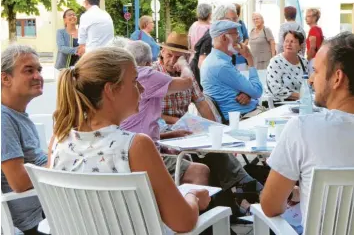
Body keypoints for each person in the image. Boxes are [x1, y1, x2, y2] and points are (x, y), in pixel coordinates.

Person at [48, 47, 211, 234]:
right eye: (135, 81)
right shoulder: (135, 146)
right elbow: (183, 222)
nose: (142, 89)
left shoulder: (58, 140)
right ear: (111, 90)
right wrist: (193, 195)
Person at [153, 32, 263, 212]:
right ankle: (242, 187)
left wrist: (213, 129)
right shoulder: (155, 74)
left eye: (178, 57)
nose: (172, 60)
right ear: (162, 51)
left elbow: (202, 104)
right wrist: (178, 120)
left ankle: (235, 198)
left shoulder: (187, 77)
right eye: (169, 55)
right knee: (207, 154)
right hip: (162, 130)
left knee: (212, 145)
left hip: (183, 128)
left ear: (186, 58)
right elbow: (150, 113)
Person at [261, 32, 354, 232]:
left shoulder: (302, 128)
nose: (311, 80)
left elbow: (270, 206)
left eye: (317, 72)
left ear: (337, 78)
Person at [113, 39, 210, 185]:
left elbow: (137, 126)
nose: (139, 89)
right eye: (170, 55)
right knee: (199, 170)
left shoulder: (120, 78)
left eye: (178, 58)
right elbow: (187, 82)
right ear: (160, 54)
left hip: (141, 146)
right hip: (141, 155)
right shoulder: (147, 74)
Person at [1, 45, 48, 235]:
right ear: (5, 78)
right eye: (29, 70)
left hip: (44, 208)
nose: (38, 76)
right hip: (34, 222)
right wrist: (58, 158)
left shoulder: (16, 115)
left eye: (39, 70)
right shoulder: (4, 119)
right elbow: (19, 182)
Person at [201, 20, 263, 121]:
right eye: (236, 34)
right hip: (244, 117)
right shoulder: (221, 65)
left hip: (246, 114)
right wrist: (250, 59)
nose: (239, 38)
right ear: (224, 37)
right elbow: (257, 91)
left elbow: (250, 91)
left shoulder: (213, 60)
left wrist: (248, 94)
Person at [190, 4, 243, 89]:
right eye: (232, 19)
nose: (235, 22)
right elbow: (203, 66)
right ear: (219, 20)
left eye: (236, 18)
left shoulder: (227, 35)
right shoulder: (211, 38)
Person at [266, 31, 308, 102]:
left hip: (300, 103)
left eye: (293, 42)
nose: (288, 44)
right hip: (279, 103)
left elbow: (307, 84)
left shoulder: (304, 62)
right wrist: (301, 96)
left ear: (300, 46)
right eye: (286, 41)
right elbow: (275, 88)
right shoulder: (276, 61)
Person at [234, 3, 249, 71]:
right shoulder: (226, 24)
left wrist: (243, 45)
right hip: (229, 58)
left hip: (241, 57)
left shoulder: (241, 23)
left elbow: (246, 38)